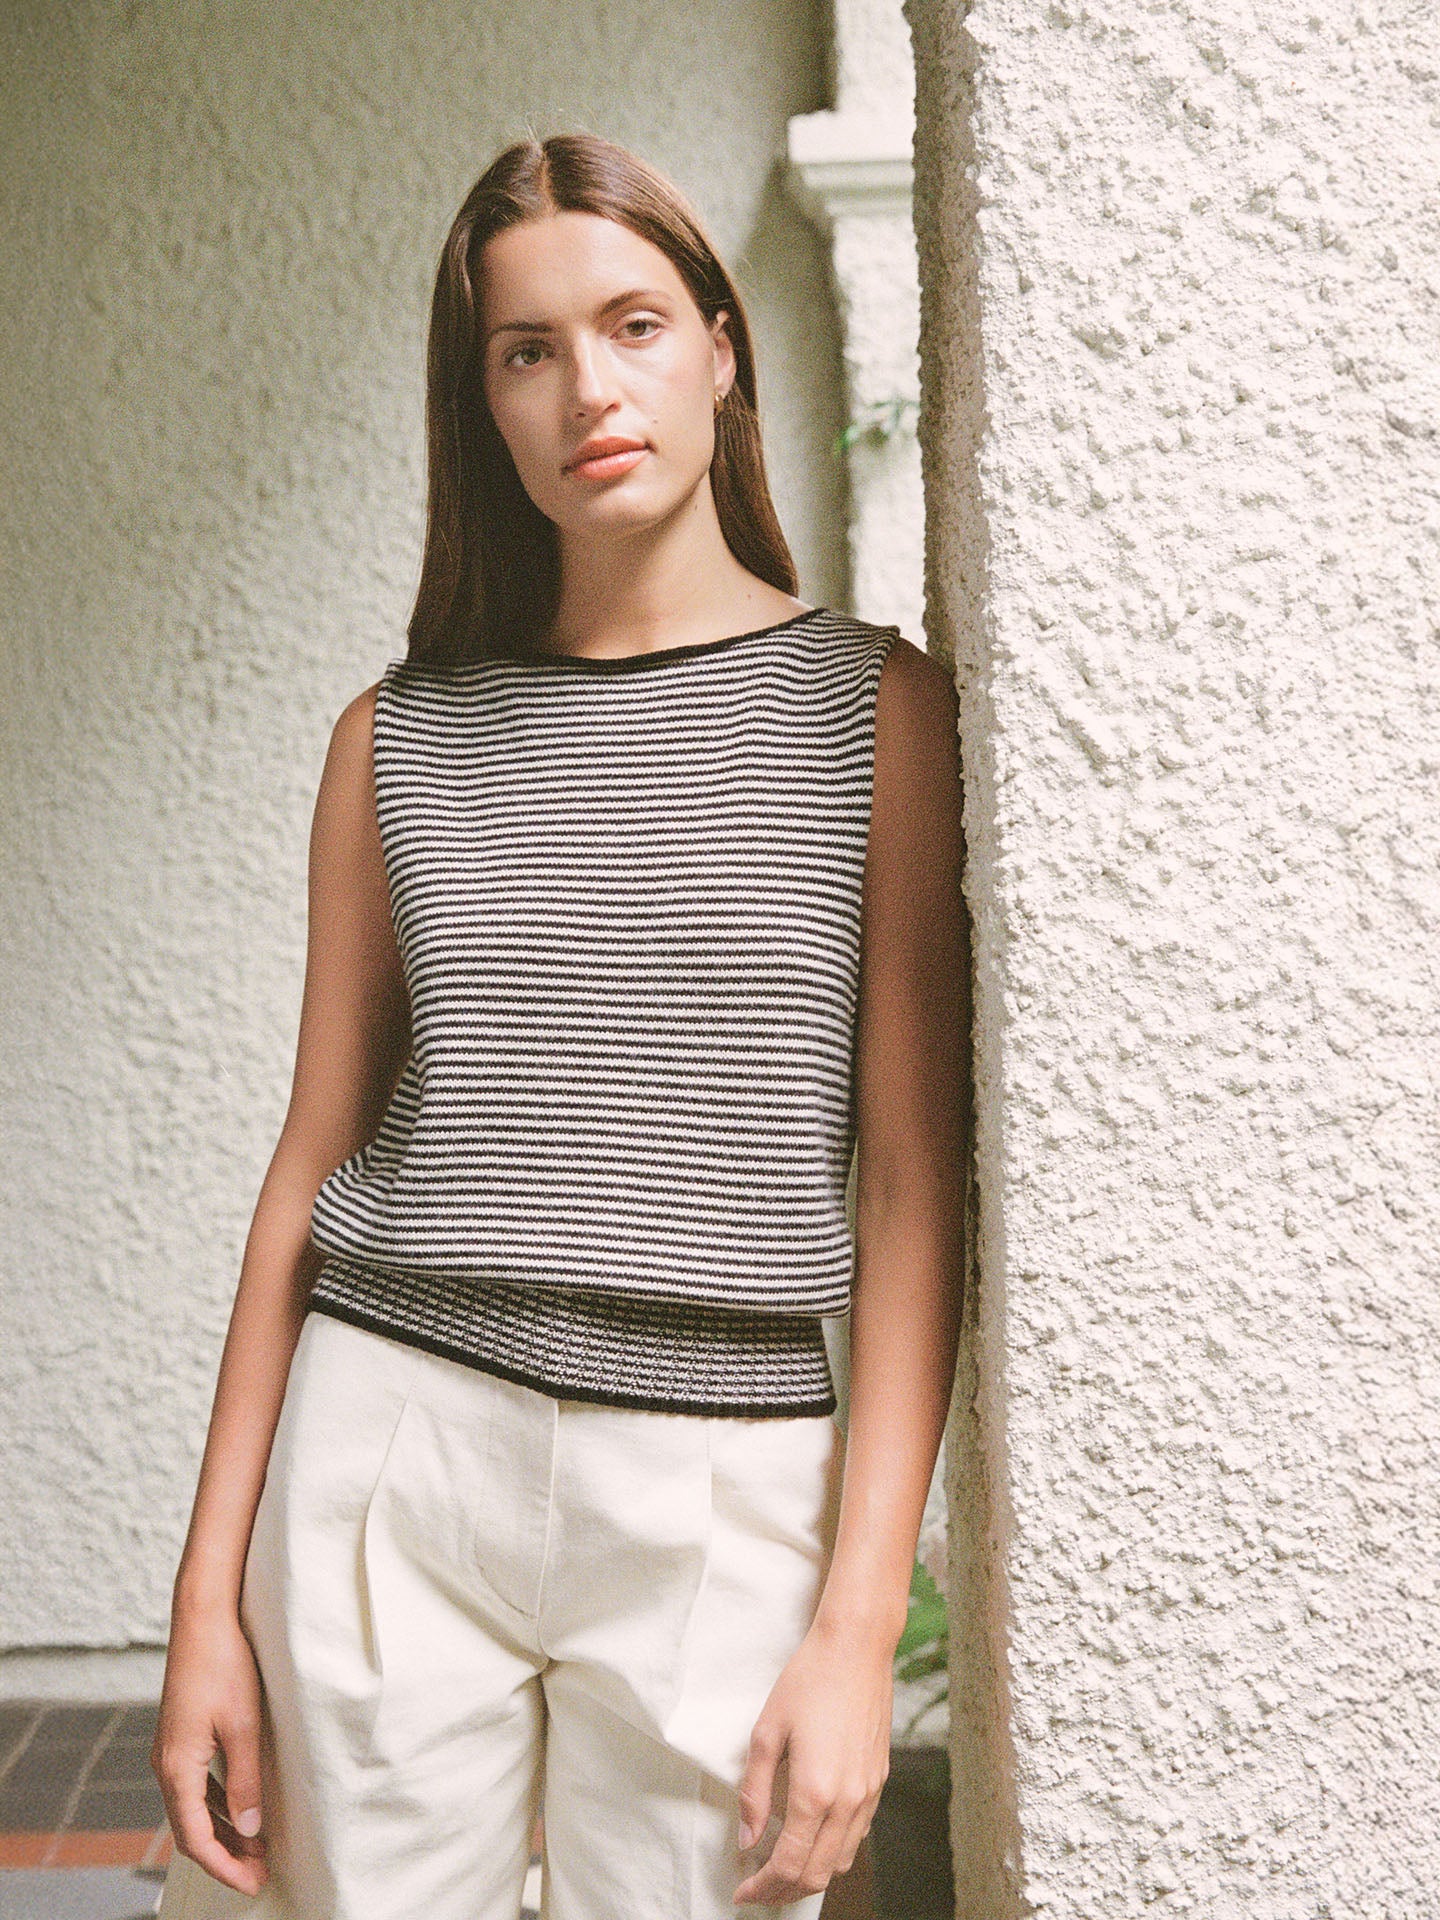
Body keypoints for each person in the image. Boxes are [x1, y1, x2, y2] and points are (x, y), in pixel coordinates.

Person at [151, 130, 969, 1920]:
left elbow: (911, 1187)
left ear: (722, 349)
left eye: (634, 323)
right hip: (392, 1446)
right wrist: (206, 1601)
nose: (589, 386)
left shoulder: (877, 717)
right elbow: (314, 1161)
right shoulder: (398, 740)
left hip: (719, 1490)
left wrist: (856, 1623)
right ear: (486, 408)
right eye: (528, 350)